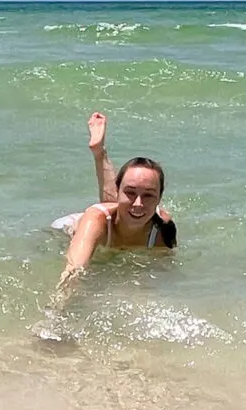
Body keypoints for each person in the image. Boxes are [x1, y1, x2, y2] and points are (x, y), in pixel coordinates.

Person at [55, 112, 175, 293]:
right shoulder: (94, 220)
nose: (138, 203)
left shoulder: (162, 230)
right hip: (66, 229)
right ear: (118, 190)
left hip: (115, 222)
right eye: (129, 192)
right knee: (114, 209)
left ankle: (100, 152)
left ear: (160, 198)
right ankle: (99, 152)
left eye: (149, 195)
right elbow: (73, 271)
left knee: (124, 209)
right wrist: (55, 313)